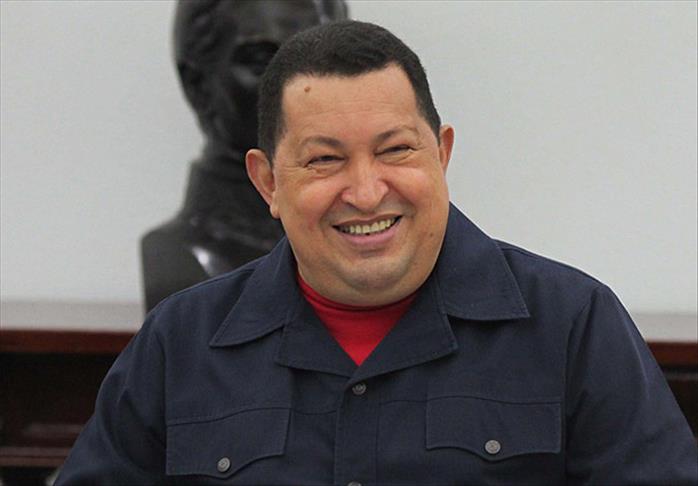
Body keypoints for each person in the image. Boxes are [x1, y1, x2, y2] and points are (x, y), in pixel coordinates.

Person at [56, 20, 697, 485]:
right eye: (324, 160)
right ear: (268, 182)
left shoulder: (574, 324)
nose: (365, 192)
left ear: (442, 154)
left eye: (396, 150)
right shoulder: (181, 341)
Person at [141, 0, 347, 311]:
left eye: (319, 62)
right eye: (261, 61)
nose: (299, 89)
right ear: (197, 84)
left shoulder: (362, 236)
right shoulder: (183, 258)